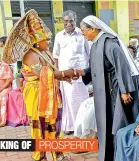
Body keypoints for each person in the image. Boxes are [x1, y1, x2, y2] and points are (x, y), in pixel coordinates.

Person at [4, 9, 78, 161]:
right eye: (46, 39)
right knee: (40, 126)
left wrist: (63, 78)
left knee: (55, 124)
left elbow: (51, 71)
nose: (49, 42)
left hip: (51, 92)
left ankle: (58, 153)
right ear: (37, 41)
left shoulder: (45, 53)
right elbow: (43, 75)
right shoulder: (30, 56)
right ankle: (40, 155)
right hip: (37, 95)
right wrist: (67, 73)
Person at [78, 15, 139, 161]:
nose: (82, 33)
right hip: (108, 90)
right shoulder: (96, 43)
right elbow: (98, 66)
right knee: (108, 123)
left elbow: (122, 66)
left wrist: (125, 91)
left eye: (84, 30)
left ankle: (121, 155)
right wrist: (82, 73)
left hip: (118, 90)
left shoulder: (109, 43)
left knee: (118, 123)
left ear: (93, 28)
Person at [53, 10, 90, 135]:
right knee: (68, 101)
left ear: (75, 20)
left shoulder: (83, 34)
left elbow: (90, 54)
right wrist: (58, 76)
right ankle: (70, 126)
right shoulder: (59, 36)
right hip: (65, 76)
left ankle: (82, 127)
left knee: (82, 101)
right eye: (66, 21)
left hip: (80, 75)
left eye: (71, 21)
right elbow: (56, 57)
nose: (69, 24)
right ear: (63, 22)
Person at [0, 58, 14, 126]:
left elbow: (9, 80)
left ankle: (2, 121)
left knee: (3, 97)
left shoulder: (5, 66)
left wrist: (2, 88)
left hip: (5, 88)